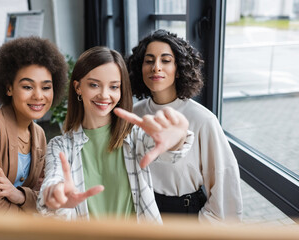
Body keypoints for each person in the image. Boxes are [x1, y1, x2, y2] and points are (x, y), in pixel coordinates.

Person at [37, 46, 193, 223]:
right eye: (94, 85)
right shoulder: (59, 146)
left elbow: (170, 152)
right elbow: (53, 182)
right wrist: (56, 197)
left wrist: (177, 138)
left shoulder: (134, 136)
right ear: (78, 87)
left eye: (114, 87)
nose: (104, 95)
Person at [127, 29, 243, 223]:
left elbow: (225, 184)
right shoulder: (134, 114)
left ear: (179, 69)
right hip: (141, 211)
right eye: (149, 61)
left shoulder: (202, 119)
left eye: (165, 60)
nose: (156, 67)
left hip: (185, 215)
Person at [0, 36, 68, 213]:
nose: (39, 96)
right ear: (9, 88)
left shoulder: (38, 135)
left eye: (46, 87)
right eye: (27, 87)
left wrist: (21, 196)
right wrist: (34, 206)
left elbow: (44, 198)